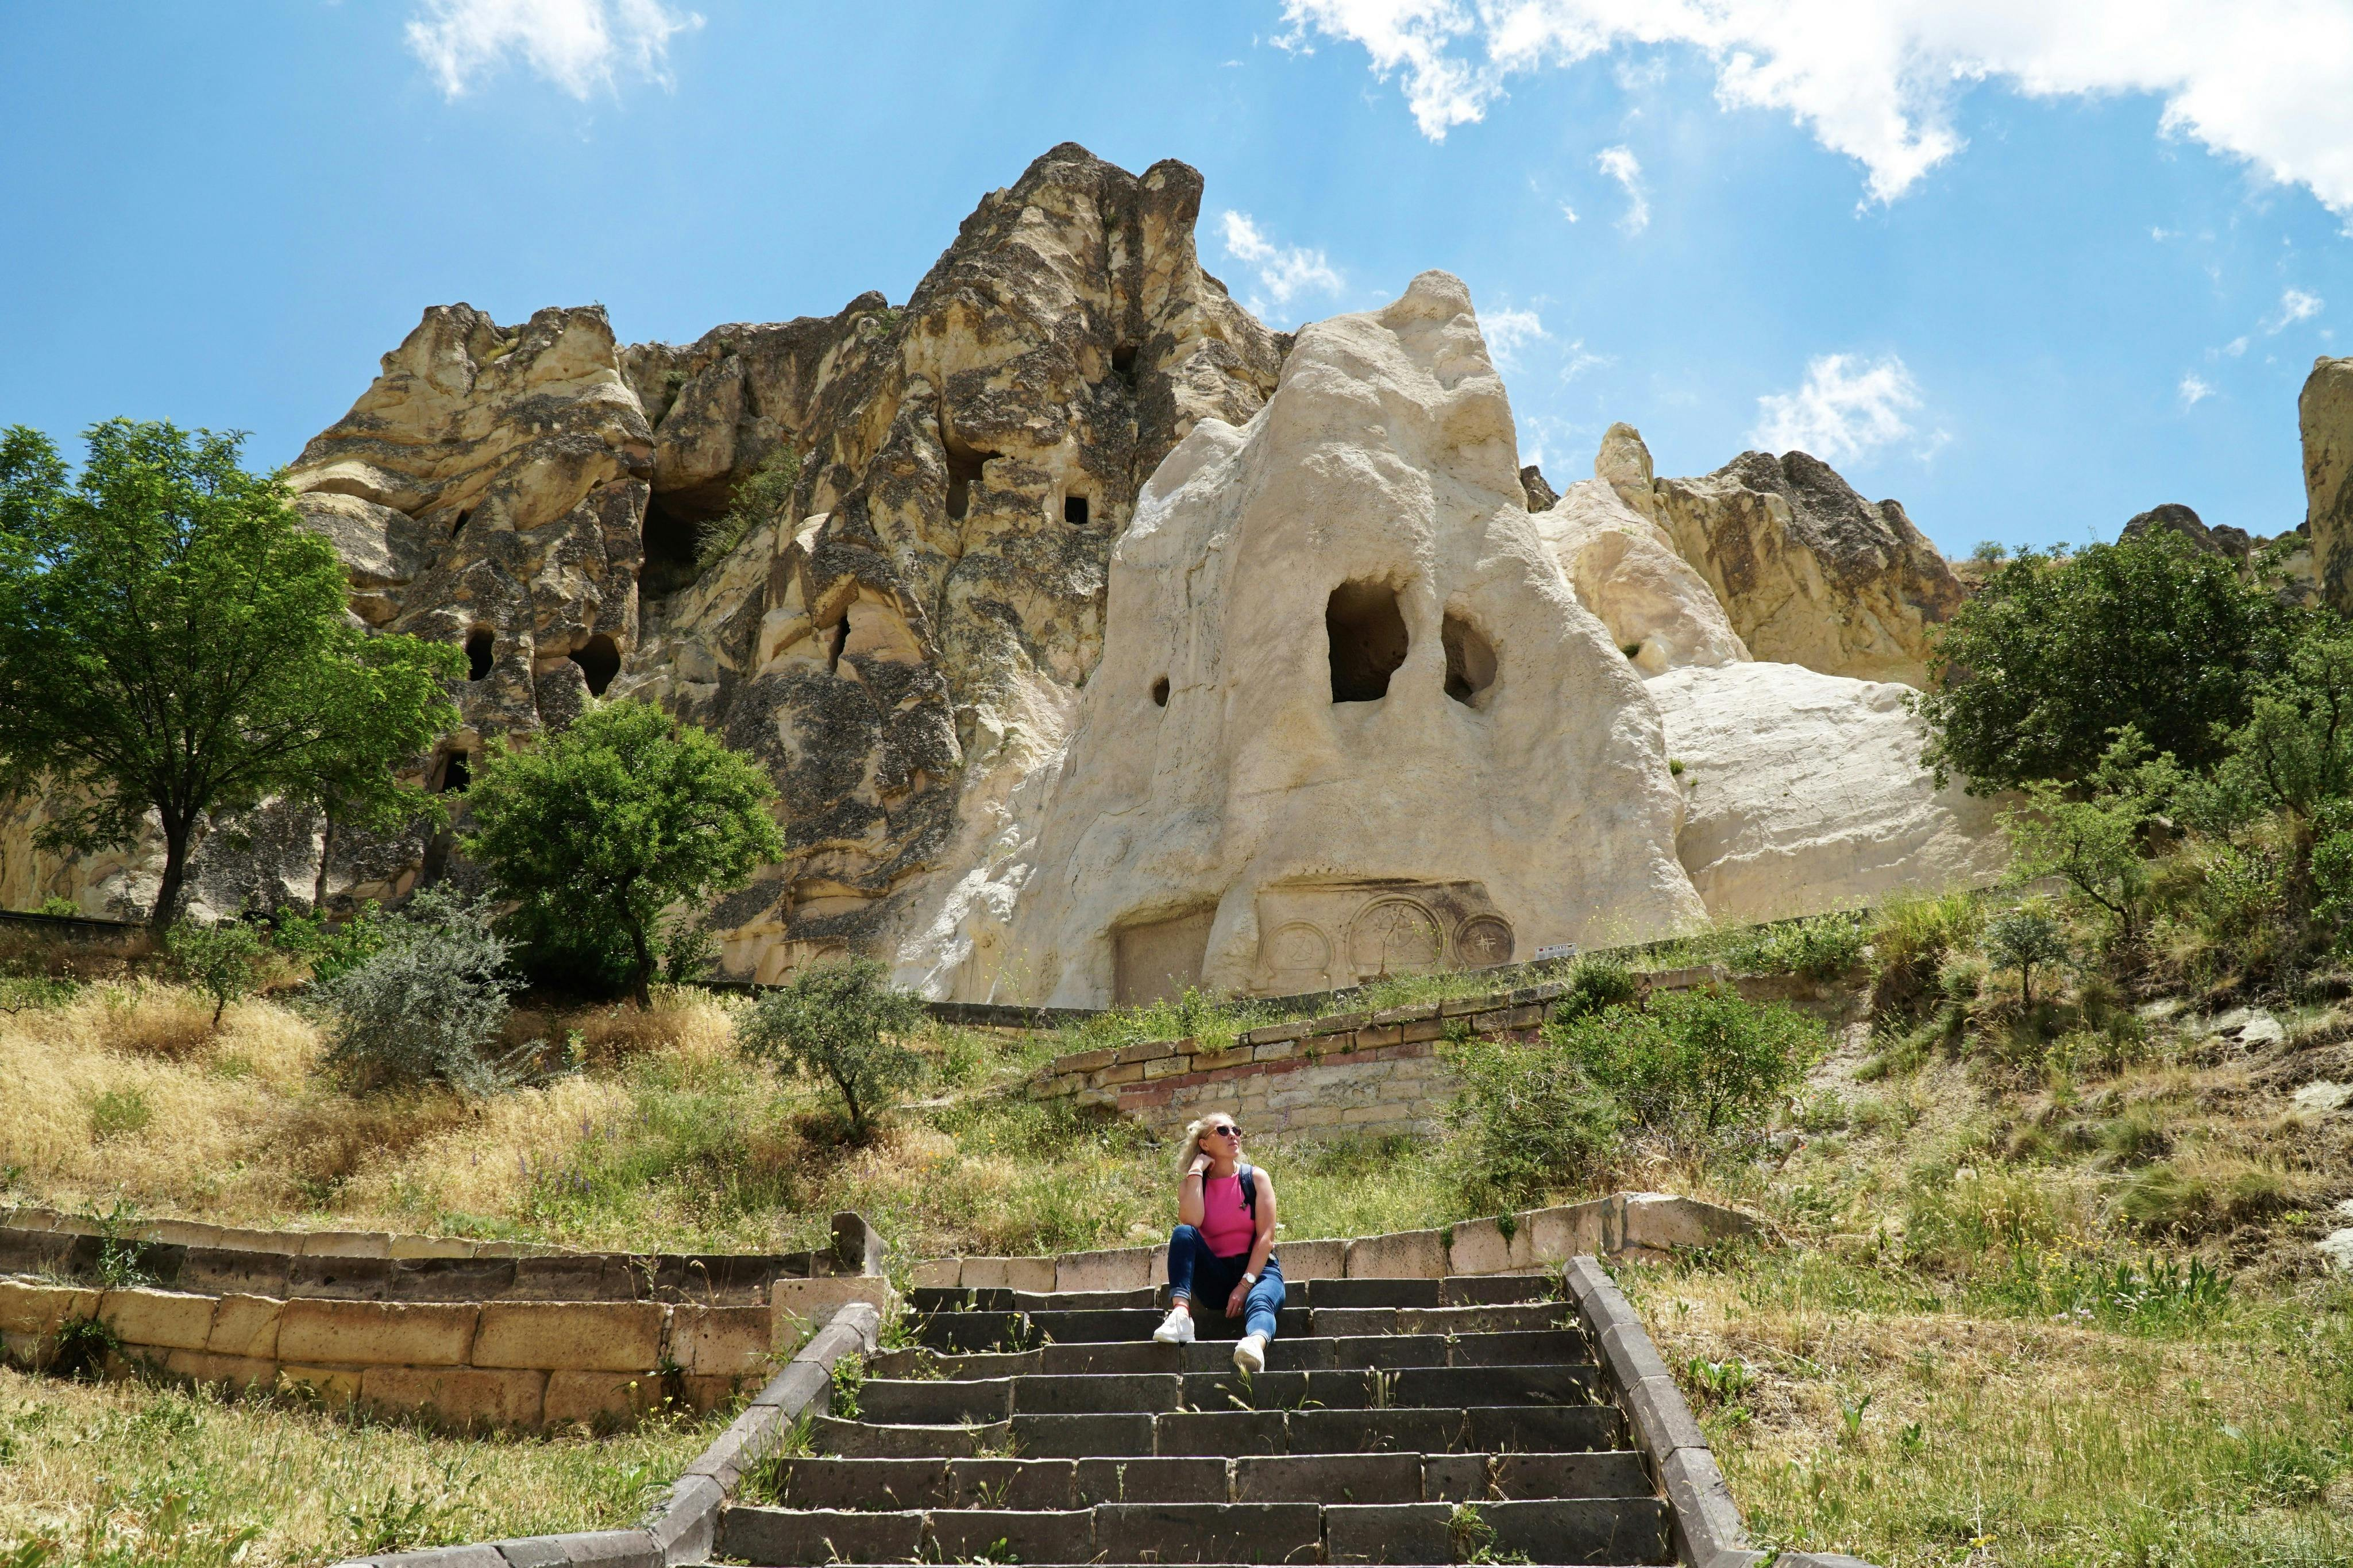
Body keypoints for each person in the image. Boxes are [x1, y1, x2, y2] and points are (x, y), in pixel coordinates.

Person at [1152, 1113, 1283, 1373]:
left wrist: (1245, 1285)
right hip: (1216, 1276)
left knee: (1260, 1300)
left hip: (1258, 1270)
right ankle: (1181, 1315)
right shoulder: (1192, 1185)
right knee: (1183, 1233)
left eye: (1236, 1130)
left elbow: (1266, 1237)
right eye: (1223, 1131)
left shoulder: (1256, 1178)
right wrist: (1196, 1170)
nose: (1233, 1135)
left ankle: (1255, 1344)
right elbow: (1192, 1222)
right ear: (1204, 1144)